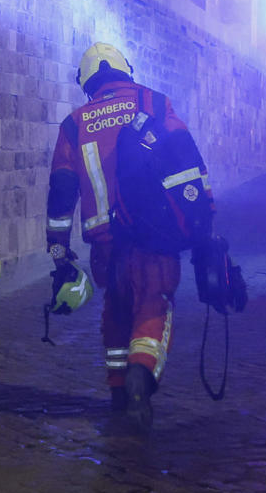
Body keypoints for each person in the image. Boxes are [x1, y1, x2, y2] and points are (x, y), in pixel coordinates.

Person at [45, 42, 213, 430]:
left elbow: (62, 189)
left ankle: (119, 391)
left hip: (105, 244)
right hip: (153, 237)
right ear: (126, 70)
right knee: (153, 306)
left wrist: (58, 247)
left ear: (87, 82)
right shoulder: (154, 103)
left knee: (117, 310)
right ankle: (140, 374)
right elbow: (187, 160)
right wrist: (203, 221)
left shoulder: (74, 123)